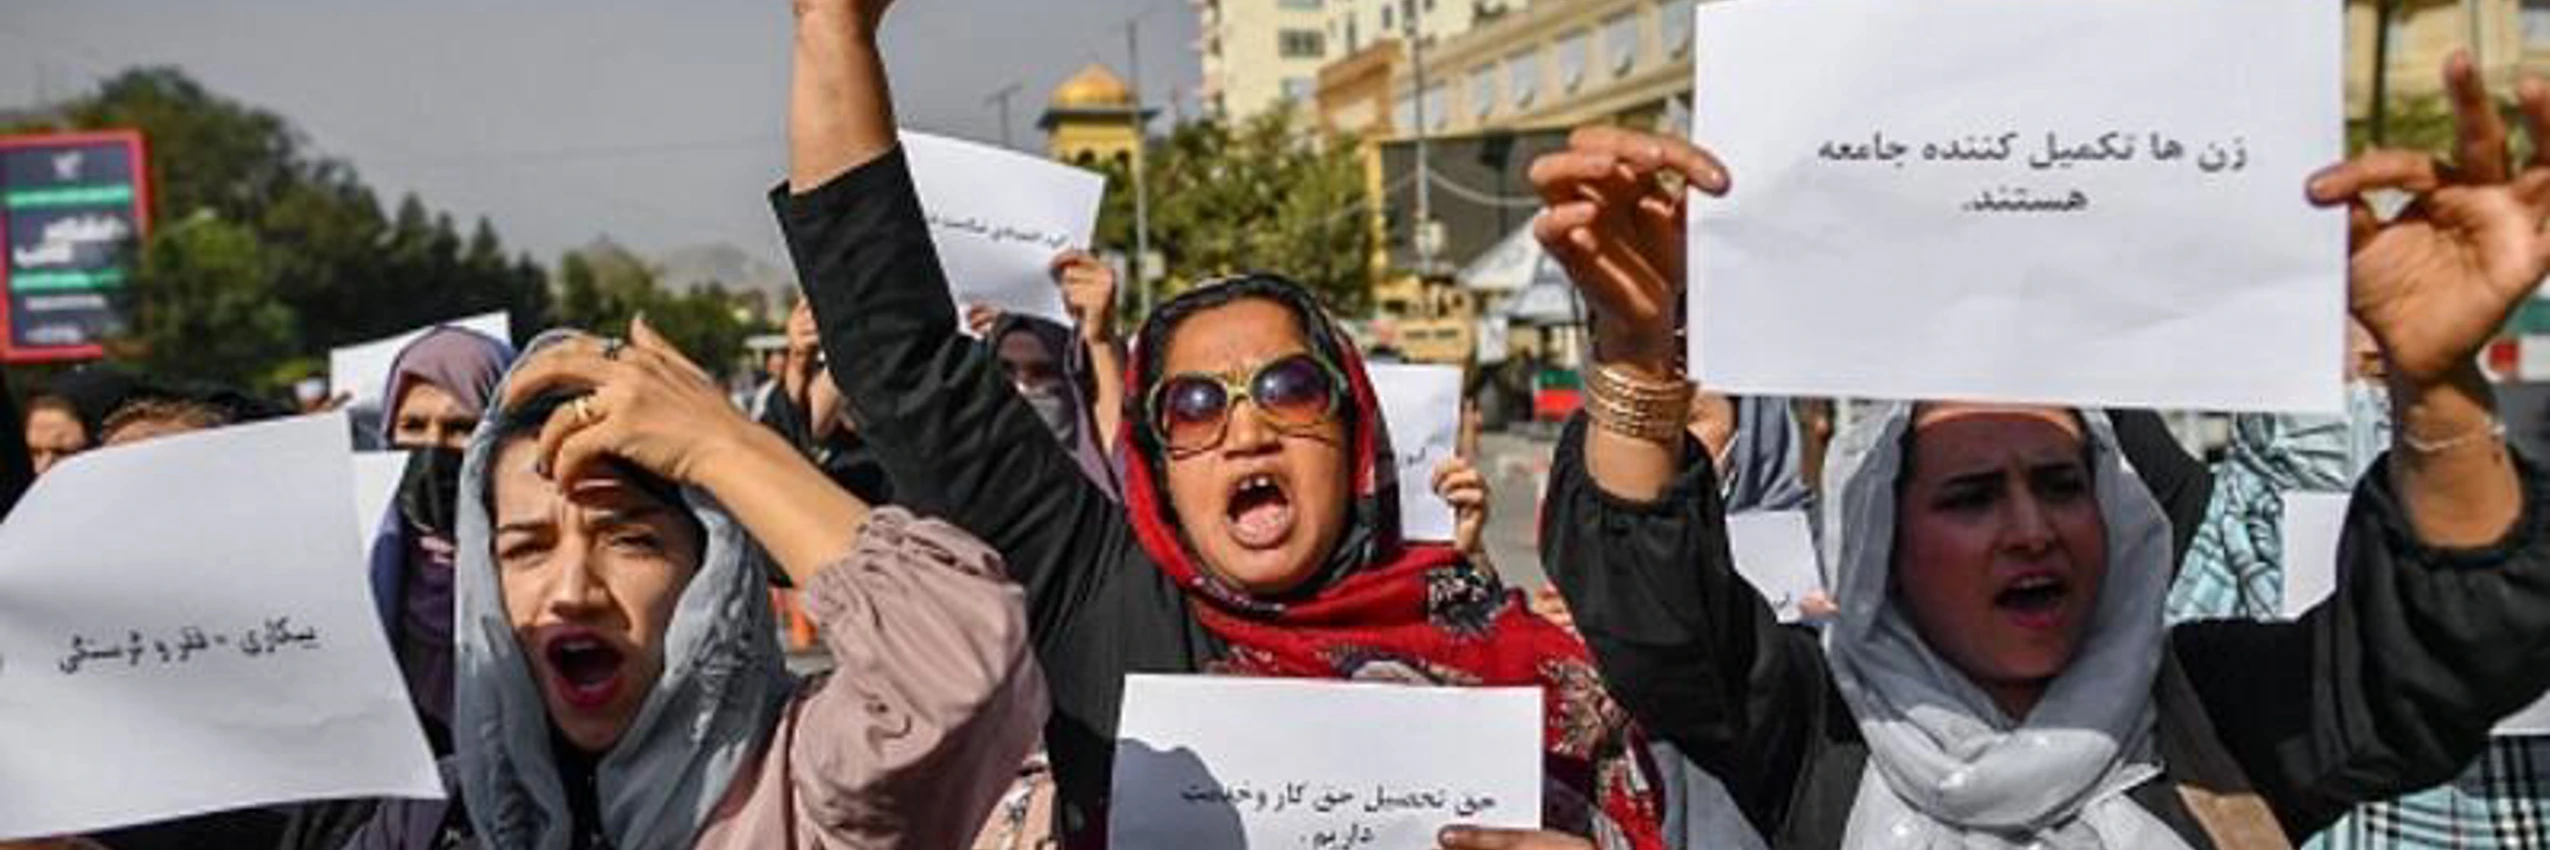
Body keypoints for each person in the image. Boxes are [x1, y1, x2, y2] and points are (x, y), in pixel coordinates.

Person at [1530, 51, 2550, 849]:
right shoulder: (1819, 725)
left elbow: (2453, 648)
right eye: (1971, 496)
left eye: (2062, 483)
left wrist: (2436, 380)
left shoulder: (2216, 714)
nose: (2031, 529)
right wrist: (1636, 345)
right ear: (1884, 541)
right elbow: (1652, 614)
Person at [773, 2, 1670, 847]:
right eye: (1194, 406)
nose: (1246, 432)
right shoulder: (1107, 601)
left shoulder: (1505, 649)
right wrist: (833, 32)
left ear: (1357, 433)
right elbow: (903, 360)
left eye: (1289, 388)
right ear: (1156, 463)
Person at [335, 321, 1045, 849]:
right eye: (527, 549)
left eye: (632, 541)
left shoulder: (803, 785)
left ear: (711, 571)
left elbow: (959, 669)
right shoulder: (436, 820)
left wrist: (723, 446)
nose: (573, 591)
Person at [373, 325, 517, 755]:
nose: (432, 446)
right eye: (413, 426)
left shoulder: (539, 562)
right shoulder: (364, 557)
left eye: (459, 427)